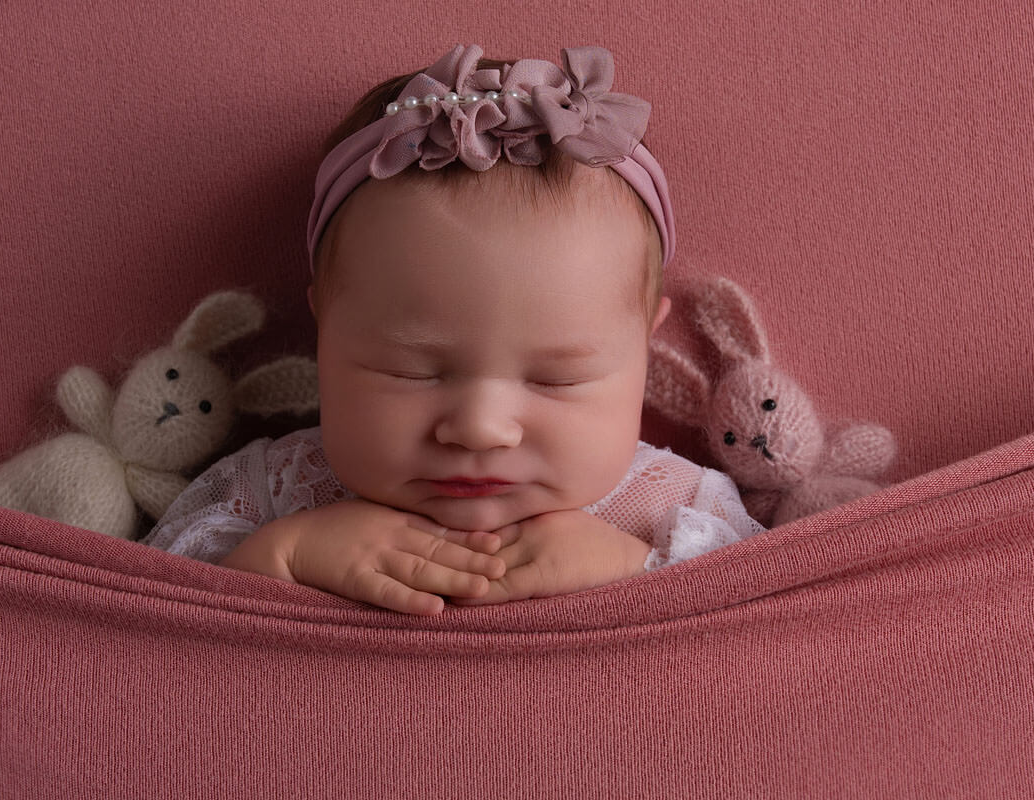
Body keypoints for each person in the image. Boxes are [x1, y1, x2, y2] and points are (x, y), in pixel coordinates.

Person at [144, 44, 764, 615]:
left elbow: (769, 640)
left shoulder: (677, 511)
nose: (479, 428)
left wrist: (641, 570)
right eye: (411, 371)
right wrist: (277, 558)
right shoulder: (272, 490)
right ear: (323, 334)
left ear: (644, 350)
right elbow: (140, 625)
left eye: (557, 378)